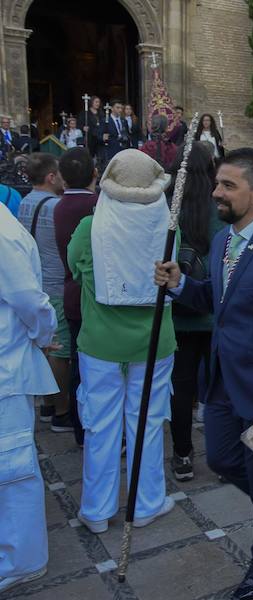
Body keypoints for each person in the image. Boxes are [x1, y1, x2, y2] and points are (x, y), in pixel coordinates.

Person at [154, 148, 253, 599]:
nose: (217, 192)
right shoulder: (225, 240)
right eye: (217, 183)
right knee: (223, 460)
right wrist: (181, 285)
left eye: (229, 185)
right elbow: (220, 302)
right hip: (223, 379)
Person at [68, 150, 177, 539]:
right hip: (154, 342)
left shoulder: (89, 226)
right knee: (147, 422)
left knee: (100, 425)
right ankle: (146, 503)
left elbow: (76, 268)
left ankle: (97, 509)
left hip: (101, 342)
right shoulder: (168, 226)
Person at [0, 200, 58, 595]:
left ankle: (22, 559)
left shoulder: (3, 235)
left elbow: (28, 298)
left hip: (6, 365)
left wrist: (42, 335)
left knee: (12, 462)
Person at [166, 143, 224, 480]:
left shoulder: (168, 204)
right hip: (213, 306)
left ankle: (182, 455)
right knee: (217, 385)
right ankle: (222, 454)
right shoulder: (219, 204)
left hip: (181, 306)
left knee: (182, 385)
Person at [15, 153, 72, 432]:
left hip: (36, 280)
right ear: (51, 177)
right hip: (55, 282)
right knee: (59, 350)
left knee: (46, 346)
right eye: (59, 174)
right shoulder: (55, 206)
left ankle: (48, 403)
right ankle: (61, 411)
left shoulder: (25, 202)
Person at [54, 147, 99, 447]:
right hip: (92, 296)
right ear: (94, 174)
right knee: (95, 368)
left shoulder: (58, 206)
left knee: (77, 363)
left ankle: (79, 428)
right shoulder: (96, 204)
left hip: (71, 291)